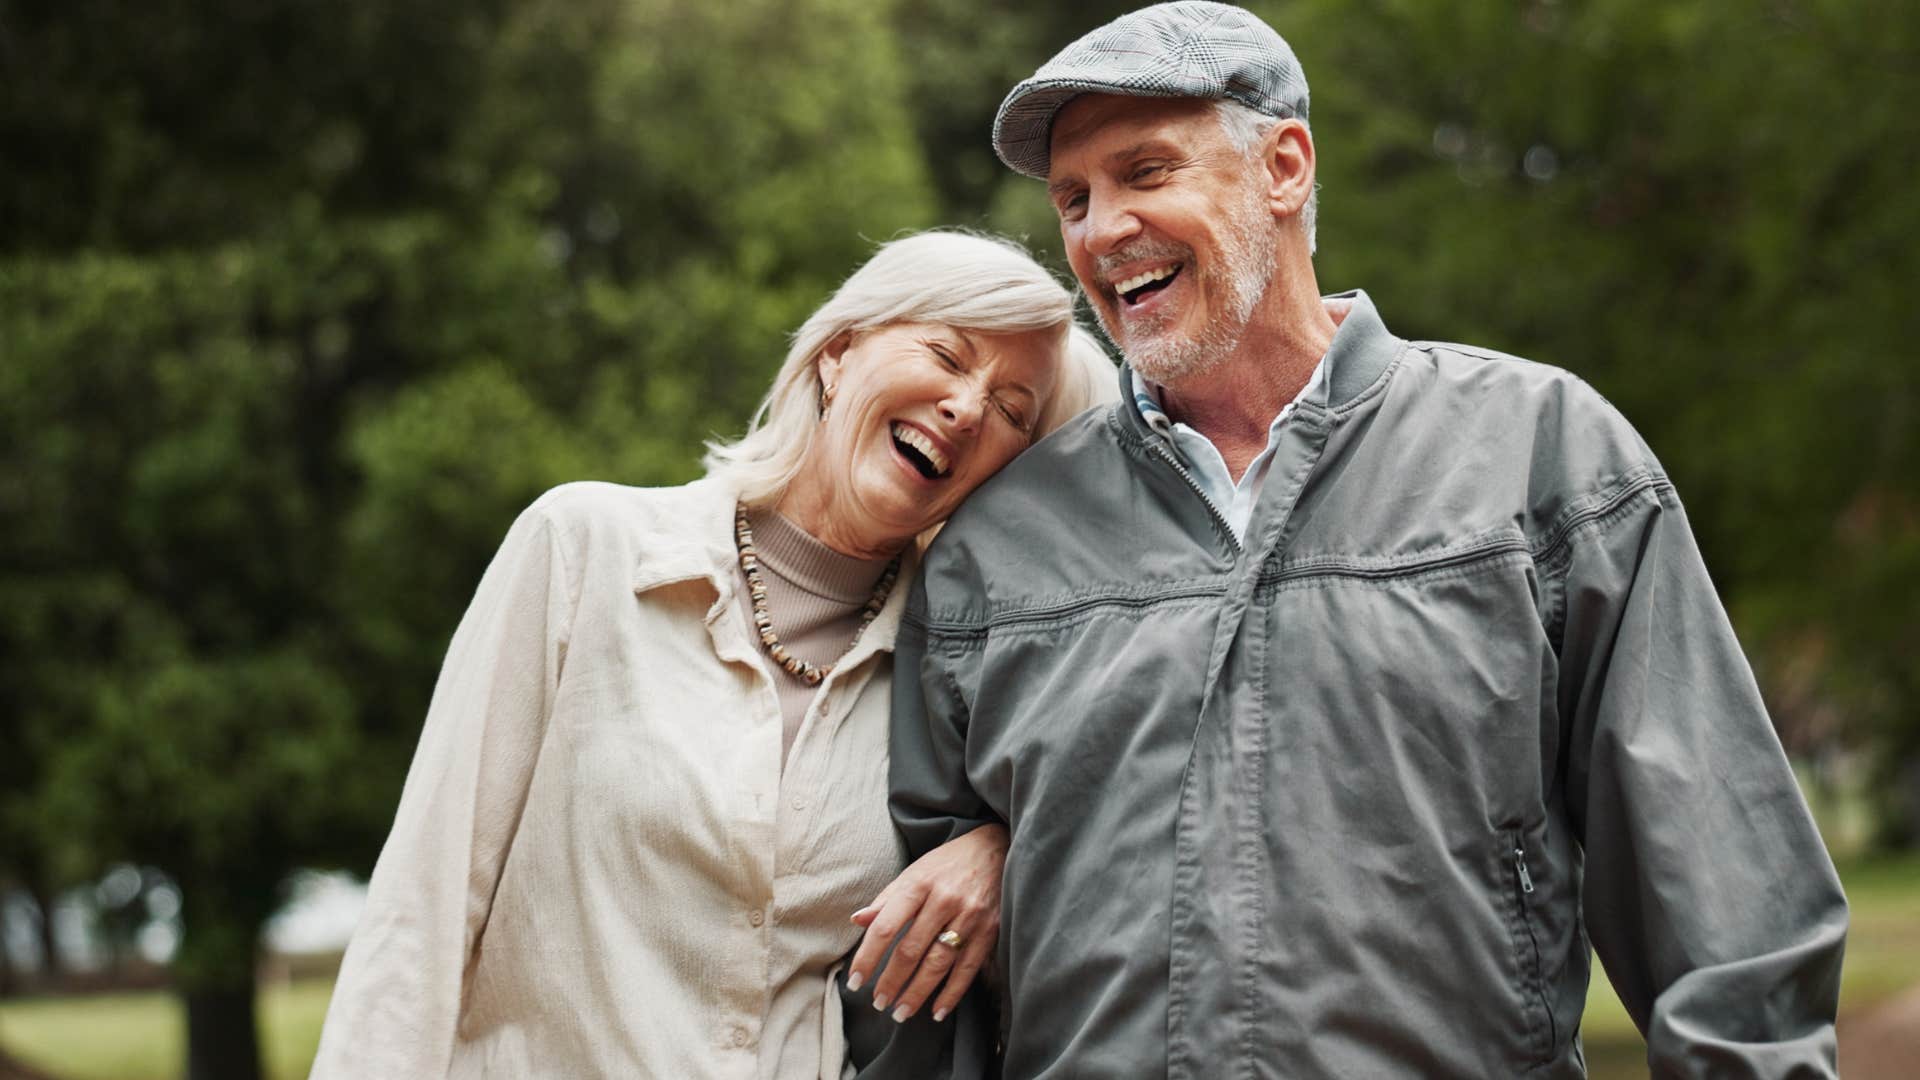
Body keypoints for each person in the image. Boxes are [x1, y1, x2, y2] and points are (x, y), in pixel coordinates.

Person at [865, 4, 1850, 1077]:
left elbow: (1728, 913)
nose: (1100, 230)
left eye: (1146, 172)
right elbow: (917, 976)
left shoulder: (1543, 456)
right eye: (1073, 198)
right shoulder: (996, 546)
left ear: (1283, 167)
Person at [309, 229, 1117, 1078]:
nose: (966, 407)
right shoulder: (584, 550)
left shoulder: (950, 678)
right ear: (838, 354)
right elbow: (425, 909)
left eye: (1012, 410)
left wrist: (998, 851)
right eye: (947, 355)